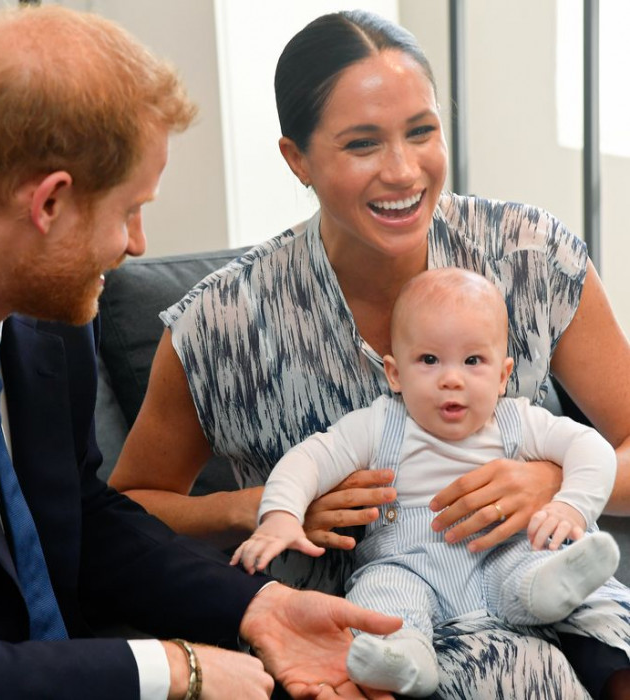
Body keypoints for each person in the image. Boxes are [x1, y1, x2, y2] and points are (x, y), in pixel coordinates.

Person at [110, 9, 630, 698]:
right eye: (362, 144)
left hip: (535, 605)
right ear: (297, 159)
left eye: (422, 131)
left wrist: (550, 485)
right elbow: (125, 511)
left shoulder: (530, 256)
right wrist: (259, 506)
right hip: (338, 645)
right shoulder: (221, 323)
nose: (403, 170)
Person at [0, 6, 406, 699]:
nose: (139, 244)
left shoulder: (47, 326)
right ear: (50, 204)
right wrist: (170, 669)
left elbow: (83, 518)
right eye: (130, 210)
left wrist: (259, 607)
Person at [231, 267, 628, 697]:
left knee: (532, 562)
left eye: (473, 361)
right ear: (395, 373)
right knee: (380, 596)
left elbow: (591, 447)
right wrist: (281, 515)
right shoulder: (378, 424)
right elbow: (308, 458)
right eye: (429, 360)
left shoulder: (517, 420)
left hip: (500, 551)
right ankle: (404, 658)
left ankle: (550, 590)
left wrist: (572, 505)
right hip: (409, 563)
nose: (451, 378)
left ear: (502, 375)